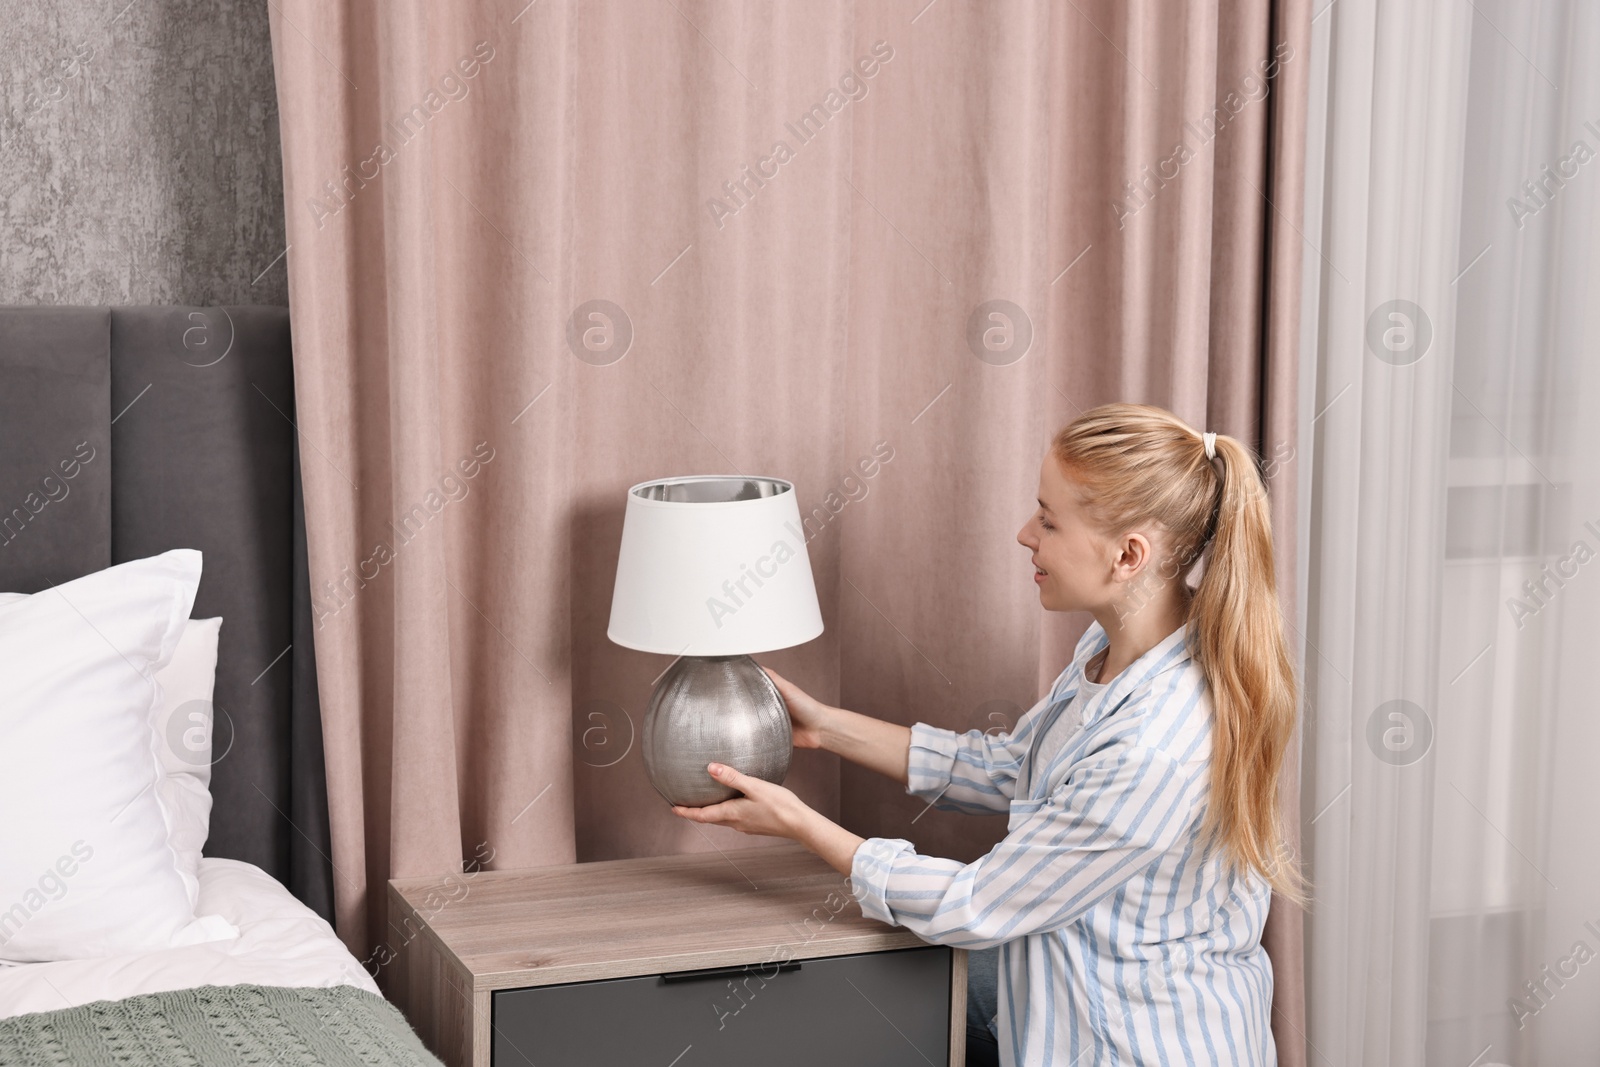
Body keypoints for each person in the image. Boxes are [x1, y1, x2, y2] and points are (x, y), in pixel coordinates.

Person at [670, 403, 1305, 1065]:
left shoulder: (1157, 743)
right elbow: (1015, 767)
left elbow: (977, 904)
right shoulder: (1123, 646)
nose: (1025, 533)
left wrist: (799, 823)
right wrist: (827, 728)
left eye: (1050, 521)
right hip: (1075, 990)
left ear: (1129, 555)